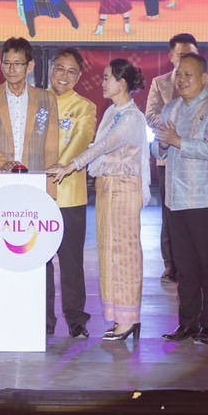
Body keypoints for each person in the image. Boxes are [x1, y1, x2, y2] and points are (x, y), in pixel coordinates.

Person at [49, 58, 149, 343]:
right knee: (109, 253)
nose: (103, 83)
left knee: (125, 252)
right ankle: (120, 316)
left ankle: (129, 319)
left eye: (107, 78)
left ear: (123, 83)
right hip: (107, 189)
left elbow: (103, 146)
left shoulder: (131, 118)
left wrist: (71, 165)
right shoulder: (112, 112)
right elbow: (99, 147)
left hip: (124, 189)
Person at [0, 36, 61, 342]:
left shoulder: (47, 99)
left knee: (40, 252)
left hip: (36, 187)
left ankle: (42, 321)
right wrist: (4, 164)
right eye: (7, 63)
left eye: (18, 63)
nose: (11, 69)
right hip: (0, 184)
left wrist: (49, 189)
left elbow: (51, 145)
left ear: (30, 66)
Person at [153, 53, 208, 344]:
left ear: (203, 78)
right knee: (184, 266)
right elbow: (157, 148)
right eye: (178, 74)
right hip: (175, 198)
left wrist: (177, 141)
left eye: (188, 74)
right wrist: (162, 145)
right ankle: (187, 323)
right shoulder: (170, 108)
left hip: (204, 200)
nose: (182, 80)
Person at [145, 33, 208, 283]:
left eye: (191, 56)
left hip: (202, 173)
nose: (183, 78)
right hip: (170, 161)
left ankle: (199, 273)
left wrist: (181, 134)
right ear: (171, 57)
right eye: (181, 56)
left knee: (202, 234)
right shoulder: (160, 84)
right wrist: (170, 130)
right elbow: (151, 116)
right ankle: (171, 263)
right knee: (170, 216)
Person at [49, 48, 97, 337]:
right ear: (50, 69)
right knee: (38, 259)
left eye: (71, 71)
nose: (63, 76)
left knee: (71, 261)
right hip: (38, 193)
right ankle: (43, 319)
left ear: (78, 76)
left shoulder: (85, 107)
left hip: (70, 195)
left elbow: (82, 138)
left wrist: (62, 164)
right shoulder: (36, 101)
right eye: (59, 68)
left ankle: (76, 318)